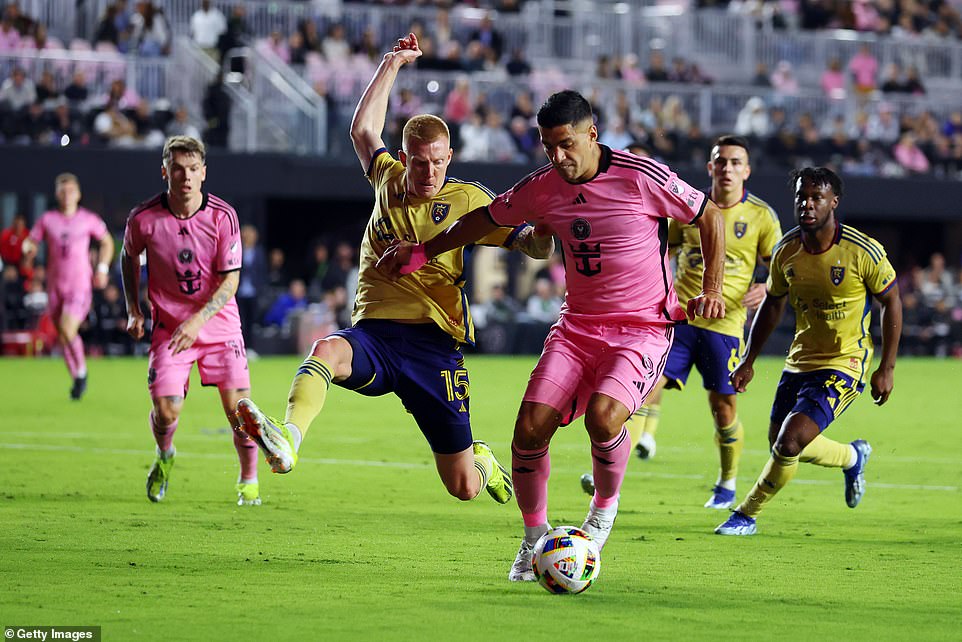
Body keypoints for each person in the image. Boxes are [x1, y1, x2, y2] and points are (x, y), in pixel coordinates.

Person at [378, 89, 727, 581]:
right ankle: (532, 540)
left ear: (592, 134)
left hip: (641, 328)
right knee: (528, 429)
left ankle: (603, 512)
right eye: (548, 147)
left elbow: (708, 215)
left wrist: (712, 288)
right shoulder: (542, 186)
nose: (558, 157)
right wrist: (425, 251)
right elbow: (484, 218)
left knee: (604, 419)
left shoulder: (640, 176)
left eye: (566, 144)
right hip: (577, 327)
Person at [233, 34, 553, 509]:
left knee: (462, 485)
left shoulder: (468, 200)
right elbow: (363, 131)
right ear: (404, 158)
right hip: (377, 336)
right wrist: (392, 63)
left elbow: (531, 245)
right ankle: (288, 439)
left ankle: (481, 461)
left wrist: (547, 225)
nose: (429, 174)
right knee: (326, 350)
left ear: (451, 159)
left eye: (439, 163)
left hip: (434, 348)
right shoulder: (386, 178)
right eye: (420, 163)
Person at [582, 136, 782, 511]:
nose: (727, 169)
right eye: (720, 162)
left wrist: (765, 286)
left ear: (747, 170)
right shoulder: (688, 206)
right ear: (710, 167)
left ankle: (727, 483)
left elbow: (780, 270)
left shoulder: (761, 216)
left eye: (735, 163)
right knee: (644, 386)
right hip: (680, 317)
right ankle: (610, 477)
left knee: (723, 407)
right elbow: (659, 248)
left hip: (726, 323)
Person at [716, 167, 902, 536]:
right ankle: (852, 457)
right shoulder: (787, 251)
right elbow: (772, 304)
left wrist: (887, 367)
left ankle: (746, 514)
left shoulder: (861, 251)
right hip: (799, 361)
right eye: (802, 196)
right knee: (782, 443)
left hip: (845, 362)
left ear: (834, 202)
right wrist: (749, 361)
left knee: (789, 440)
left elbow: (891, 301)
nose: (807, 204)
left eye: (817, 197)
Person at [120, 135, 261, 507]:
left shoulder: (222, 216)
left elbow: (231, 279)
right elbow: (128, 256)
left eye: (193, 169)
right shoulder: (143, 218)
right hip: (170, 327)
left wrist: (198, 321)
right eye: (178, 169)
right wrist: (134, 309)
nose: (185, 177)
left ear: (204, 173)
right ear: (164, 172)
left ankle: (248, 480)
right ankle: (165, 456)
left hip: (218, 325)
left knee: (240, 413)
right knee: (165, 411)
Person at [22, 174, 114, 400]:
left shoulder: (88, 219)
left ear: (79, 194)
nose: (67, 195)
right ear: (57, 194)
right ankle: (77, 376)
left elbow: (107, 241)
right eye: (63, 191)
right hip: (55, 286)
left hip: (79, 285)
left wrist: (102, 268)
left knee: (67, 328)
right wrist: (27, 249)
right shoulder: (47, 219)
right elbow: (31, 241)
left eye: (71, 190)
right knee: (62, 335)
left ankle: (81, 373)